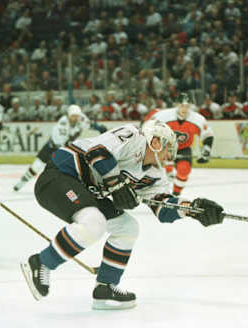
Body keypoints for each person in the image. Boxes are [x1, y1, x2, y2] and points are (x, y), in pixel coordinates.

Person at [20, 120, 224, 309]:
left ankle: (105, 288)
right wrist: (115, 183)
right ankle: (41, 262)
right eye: (168, 147)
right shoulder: (132, 135)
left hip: (87, 191)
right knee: (94, 222)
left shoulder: (155, 175)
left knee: (128, 228)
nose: (170, 154)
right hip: (59, 176)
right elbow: (96, 152)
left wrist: (193, 208)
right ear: (155, 141)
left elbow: (162, 208)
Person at [13, 105, 107, 191]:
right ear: (68, 115)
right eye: (73, 116)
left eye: (76, 116)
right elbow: (60, 143)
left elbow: (90, 124)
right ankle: (21, 183)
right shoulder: (62, 124)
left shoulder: (81, 119)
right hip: (52, 147)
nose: (75, 118)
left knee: (64, 170)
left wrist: (99, 128)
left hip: (64, 148)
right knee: (36, 166)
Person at [150, 94, 214, 195]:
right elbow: (148, 127)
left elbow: (207, 135)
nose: (184, 109)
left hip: (184, 148)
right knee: (150, 172)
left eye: (187, 106)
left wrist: (206, 149)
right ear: (177, 105)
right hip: (165, 147)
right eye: (181, 105)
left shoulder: (197, 119)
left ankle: (175, 195)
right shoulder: (164, 116)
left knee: (184, 170)